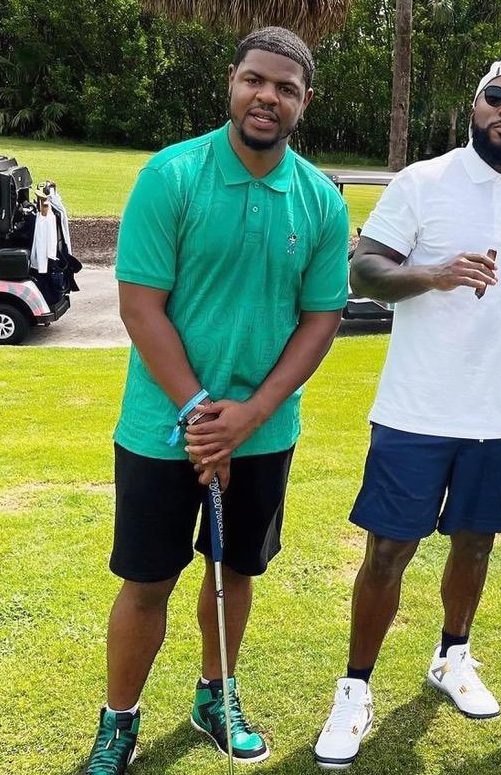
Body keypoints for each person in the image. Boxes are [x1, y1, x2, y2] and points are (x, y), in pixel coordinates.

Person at [83, 27, 348, 775]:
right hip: (163, 429)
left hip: (262, 432)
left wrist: (250, 416)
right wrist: (203, 414)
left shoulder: (319, 200)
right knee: (147, 581)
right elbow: (141, 307)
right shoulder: (171, 176)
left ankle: (214, 695)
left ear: (304, 101)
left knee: (234, 573)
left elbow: (321, 317)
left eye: (286, 88)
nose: (268, 97)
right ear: (232, 82)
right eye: (255, 80)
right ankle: (119, 719)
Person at [313, 55, 501, 769]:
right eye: (496, 96)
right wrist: (434, 272)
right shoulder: (422, 182)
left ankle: (452, 656)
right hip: (415, 411)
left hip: (497, 417)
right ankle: (354, 688)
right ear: (475, 104)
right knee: (387, 552)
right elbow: (365, 269)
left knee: (476, 545)